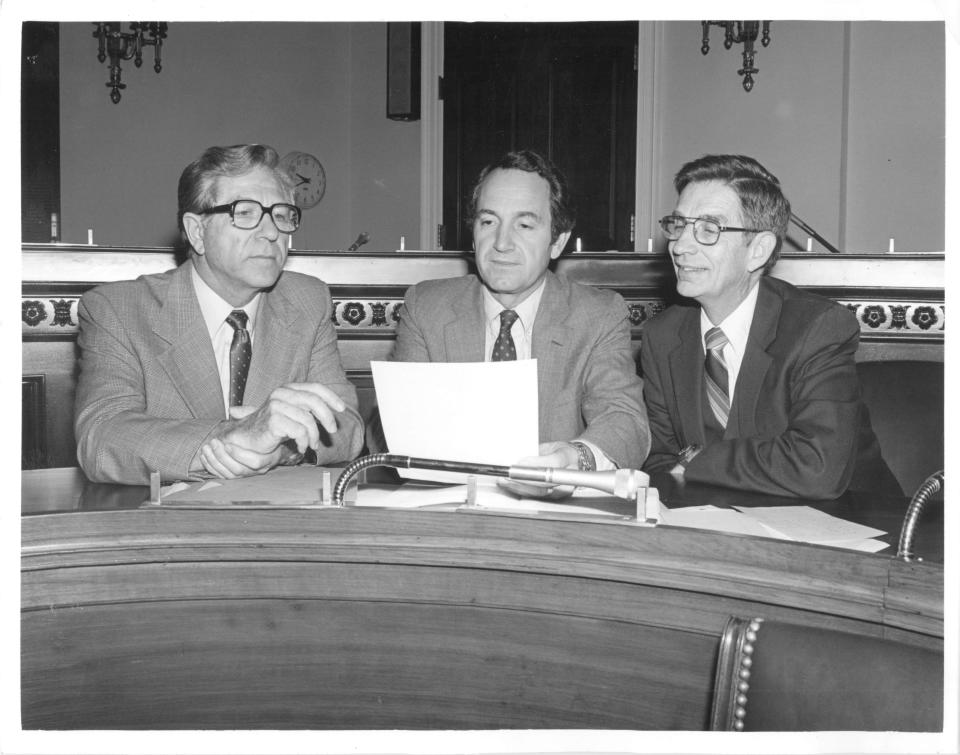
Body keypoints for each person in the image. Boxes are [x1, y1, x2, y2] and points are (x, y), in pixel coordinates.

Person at [75, 144, 363, 485]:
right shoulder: (118, 310)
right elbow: (101, 437)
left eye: (282, 214)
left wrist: (283, 448)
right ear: (197, 231)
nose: (272, 232)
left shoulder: (307, 300)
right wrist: (229, 439)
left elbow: (347, 426)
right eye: (245, 213)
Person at [389, 150, 650, 493]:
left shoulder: (597, 315)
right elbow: (394, 425)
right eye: (488, 222)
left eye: (524, 225)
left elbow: (625, 421)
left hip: (553, 517)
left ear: (557, 241)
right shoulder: (426, 307)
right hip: (449, 508)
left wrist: (575, 459)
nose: (501, 243)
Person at [640, 154, 899, 498]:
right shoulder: (663, 335)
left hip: (851, 526)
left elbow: (816, 467)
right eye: (678, 225)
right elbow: (656, 461)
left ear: (758, 251)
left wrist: (697, 460)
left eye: (707, 229)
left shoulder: (817, 327)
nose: (679, 246)